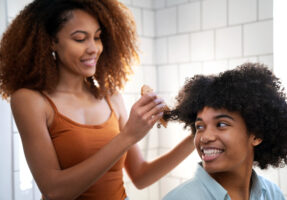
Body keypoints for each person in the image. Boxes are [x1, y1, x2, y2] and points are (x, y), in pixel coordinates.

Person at [0, 0, 195, 199]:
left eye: (97, 37)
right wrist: (128, 136)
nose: (94, 48)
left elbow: (141, 176)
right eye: (80, 39)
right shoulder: (30, 100)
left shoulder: (111, 97)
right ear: (51, 41)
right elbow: (54, 191)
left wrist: (195, 137)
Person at [162, 63, 287, 200]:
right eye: (200, 126)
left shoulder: (273, 194)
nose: (205, 137)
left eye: (221, 124)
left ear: (257, 135)